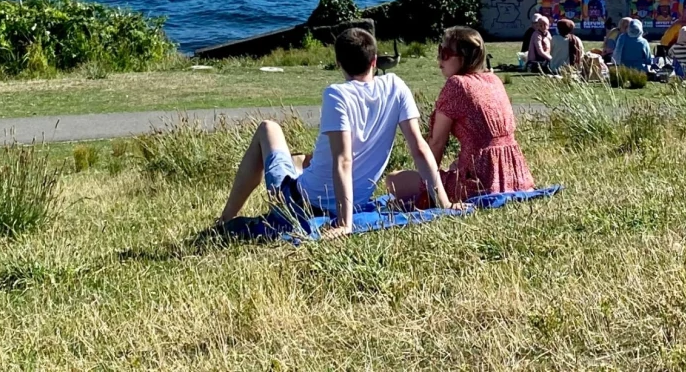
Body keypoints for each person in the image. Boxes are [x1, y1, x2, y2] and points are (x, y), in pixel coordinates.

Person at [218, 27, 450, 238]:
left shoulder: (337, 94)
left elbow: (343, 160)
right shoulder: (396, 86)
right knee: (306, 161)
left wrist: (344, 223)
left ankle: (225, 219)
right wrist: (444, 205)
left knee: (268, 128)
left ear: (338, 63)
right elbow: (419, 148)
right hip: (355, 200)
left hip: (299, 202)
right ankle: (299, 163)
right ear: (375, 61)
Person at [388, 26, 534, 205]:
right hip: (516, 176)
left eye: (445, 53)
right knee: (454, 165)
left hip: (481, 183)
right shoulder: (493, 80)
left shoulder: (457, 85)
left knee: (394, 180)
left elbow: (436, 143)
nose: (439, 58)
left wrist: (428, 187)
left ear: (463, 57)